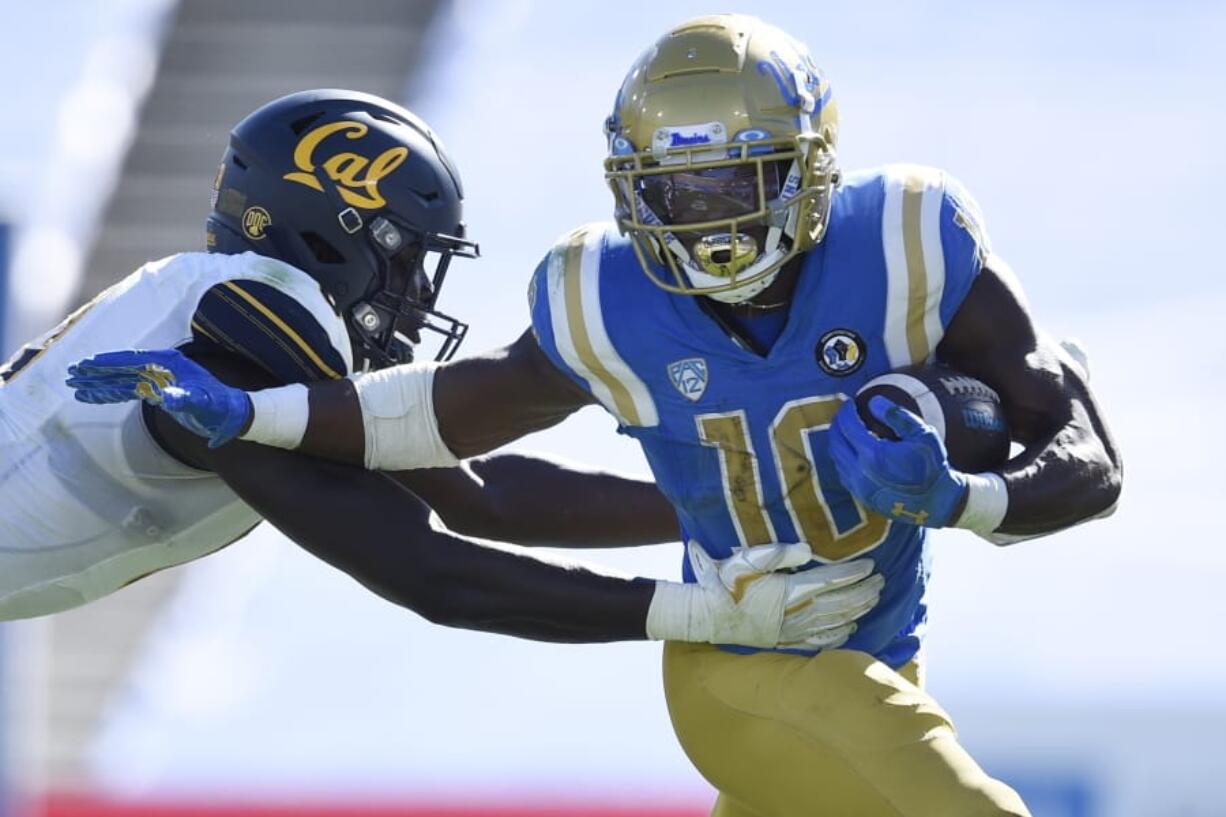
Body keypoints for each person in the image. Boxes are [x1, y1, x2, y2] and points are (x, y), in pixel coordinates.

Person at [70, 17, 1123, 817]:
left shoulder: (906, 240)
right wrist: (262, 411)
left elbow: (1081, 451)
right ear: (631, 191)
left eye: (736, 183)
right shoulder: (603, 297)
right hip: (744, 661)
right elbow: (442, 417)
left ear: (808, 171)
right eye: (679, 191)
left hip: (882, 651)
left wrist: (963, 493)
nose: (709, 224)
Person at [2, 87, 885, 656]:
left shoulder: (235, 347)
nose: (418, 295)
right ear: (338, 232)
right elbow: (434, 570)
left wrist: (735, 503)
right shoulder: (237, 335)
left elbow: (479, 492)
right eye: (407, 258)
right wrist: (696, 610)